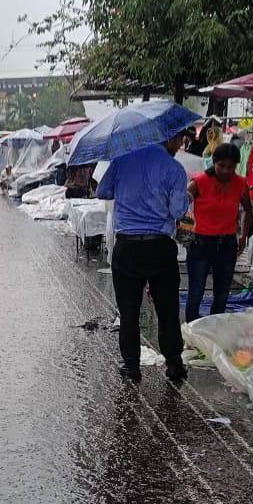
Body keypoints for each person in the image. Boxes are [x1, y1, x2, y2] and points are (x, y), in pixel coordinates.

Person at [96, 130, 192, 383]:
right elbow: (177, 210)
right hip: (160, 247)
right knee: (167, 310)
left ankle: (131, 366)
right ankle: (173, 365)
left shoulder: (123, 160)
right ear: (169, 138)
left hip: (127, 247)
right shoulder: (174, 169)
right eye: (180, 139)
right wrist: (187, 198)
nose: (181, 144)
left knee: (129, 312)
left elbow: (102, 192)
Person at [186, 143, 253, 321]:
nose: (226, 170)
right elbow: (182, 203)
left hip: (227, 244)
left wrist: (244, 235)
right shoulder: (199, 182)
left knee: (222, 292)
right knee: (196, 290)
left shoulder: (240, 183)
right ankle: (191, 329)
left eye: (231, 167)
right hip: (200, 244)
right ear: (214, 162)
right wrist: (184, 229)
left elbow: (248, 209)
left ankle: (215, 329)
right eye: (221, 165)